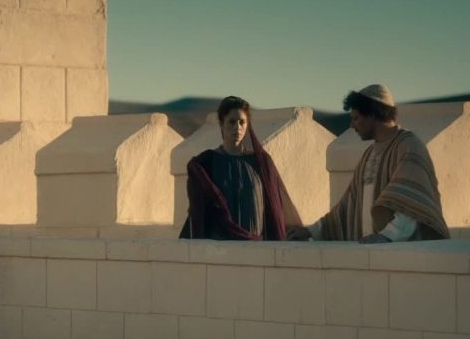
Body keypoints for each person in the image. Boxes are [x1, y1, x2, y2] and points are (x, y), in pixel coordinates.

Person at [287, 84, 449, 243]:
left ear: (371, 115)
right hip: (372, 251)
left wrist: (388, 236)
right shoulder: (369, 154)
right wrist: (311, 231)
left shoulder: (409, 146)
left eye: (356, 118)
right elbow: (346, 208)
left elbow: (411, 206)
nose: (352, 126)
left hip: (404, 252)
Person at [179, 96, 300, 240]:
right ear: (221, 124)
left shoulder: (261, 163)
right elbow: (199, 214)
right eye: (232, 122)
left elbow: (274, 212)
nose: (237, 127)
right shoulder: (206, 163)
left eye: (242, 122)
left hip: (257, 248)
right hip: (220, 249)